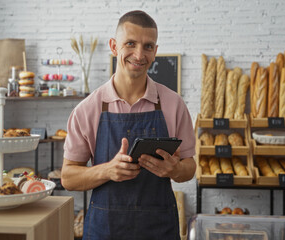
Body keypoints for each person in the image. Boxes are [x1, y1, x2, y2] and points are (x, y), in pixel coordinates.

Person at [61, 10, 196, 239]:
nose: (139, 54)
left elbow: (190, 168)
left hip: (159, 229)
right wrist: (107, 170)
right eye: (130, 44)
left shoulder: (173, 104)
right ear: (114, 46)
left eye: (148, 46)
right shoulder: (87, 109)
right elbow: (68, 177)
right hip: (105, 230)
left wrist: (175, 170)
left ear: (155, 52)